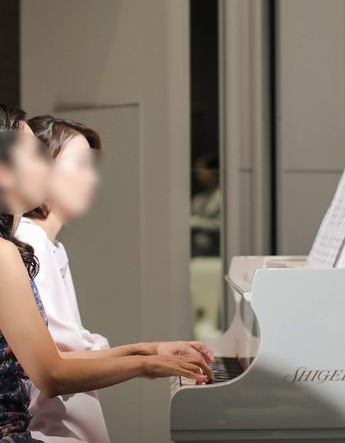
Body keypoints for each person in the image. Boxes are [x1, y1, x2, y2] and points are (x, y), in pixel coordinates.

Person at [0, 106, 212, 442]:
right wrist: (147, 363)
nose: (46, 168)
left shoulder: (19, 247)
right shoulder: (12, 248)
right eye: (36, 155)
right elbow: (53, 372)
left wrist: (151, 352)